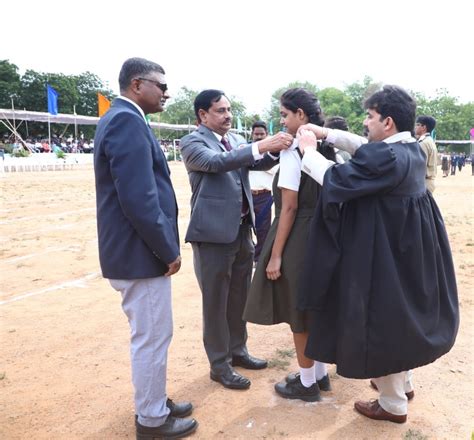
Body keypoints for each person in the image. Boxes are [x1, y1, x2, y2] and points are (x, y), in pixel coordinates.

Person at [296, 85, 459, 423]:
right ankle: (404, 384)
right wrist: (327, 132)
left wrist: (309, 150)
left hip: (385, 253)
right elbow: (365, 149)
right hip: (407, 248)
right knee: (402, 317)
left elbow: (336, 179)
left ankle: (392, 404)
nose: (365, 124)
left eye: (369, 118)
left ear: (386, 121)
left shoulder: (384, 157)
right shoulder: (410, 148)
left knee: (383, 322)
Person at [93, 57, 198, 439]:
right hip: (140, 255)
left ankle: (154, 401)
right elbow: (139, 199)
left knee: (153, 335)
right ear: (137, 85)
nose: (167, 93)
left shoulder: (125, 118)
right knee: (151, 337)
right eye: (161, 85)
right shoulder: (126, 120)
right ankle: (152, 419)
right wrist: (167, 249)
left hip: (135, 253)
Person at [180, 89, 293, 390]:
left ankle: (238, 350)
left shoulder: (239, 141)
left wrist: (276, 150)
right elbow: (218, 163)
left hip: (243, 231)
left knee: (239, 297)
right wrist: (261, 146)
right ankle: (219, 365)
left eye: (229, 109)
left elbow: (257, 164)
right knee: (215, 302)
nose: (228, 115)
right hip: (213, 236)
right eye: (220, 110)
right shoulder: (192, 143)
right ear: (203, 115)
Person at [244, 88, 335, 402]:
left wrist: (275, 254)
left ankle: (307, 383)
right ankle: (319, 375)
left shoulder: (292, 149)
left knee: (299, 311)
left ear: (302, 116)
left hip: (299, 234)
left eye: (284, 114)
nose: (281, 121)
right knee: (316, 308)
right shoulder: (326, 144)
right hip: (325, 234)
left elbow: (290, 207)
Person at [248, 121, 277, 264]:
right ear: (252, 134)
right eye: (256, 134)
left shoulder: (274, 153)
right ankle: (249, 256)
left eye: (262, 134)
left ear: (267, 134)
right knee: (244, 229)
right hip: (246, 196)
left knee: (263, 230)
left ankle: (259, 260)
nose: (259, 136)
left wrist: (263, 161)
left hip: (265, 196)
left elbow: (276, 170)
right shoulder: (246, 150)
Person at [415, 115, 438, 192]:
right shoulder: (429, 140)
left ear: (423, 127)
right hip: (429, 181)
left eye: (418, 124)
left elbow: (420, 166)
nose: (415, 127)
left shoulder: (423, 143)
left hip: (424, 182)